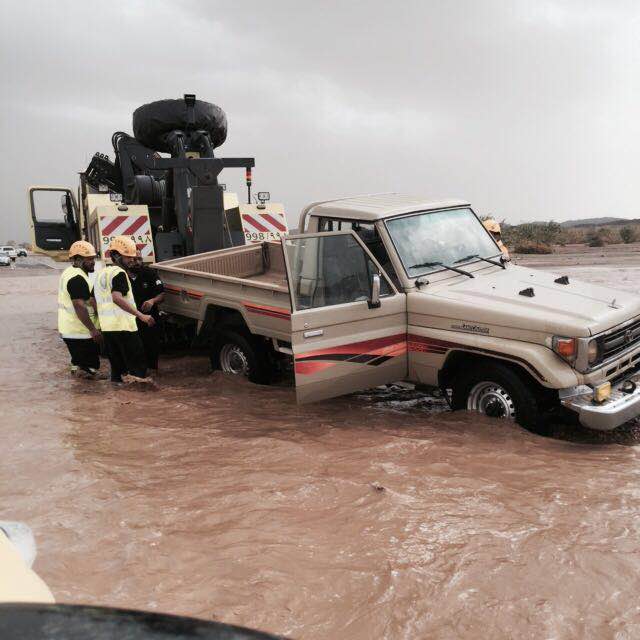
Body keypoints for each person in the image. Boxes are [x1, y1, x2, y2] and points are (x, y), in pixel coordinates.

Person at [94, 236, 155, 383]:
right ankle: (138, 404)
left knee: (117, 374)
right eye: (128, 257)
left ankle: (120, 403)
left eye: (133, 257)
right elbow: (117, 297)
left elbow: (92, 300)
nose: (132, 260)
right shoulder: (119, 273)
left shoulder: (101, 273)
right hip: (125, 329)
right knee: (137, 372)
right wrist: (141, 316)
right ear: (115, 256)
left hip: (109, 330)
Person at [57, 240, 102, 378]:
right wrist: (93, 329)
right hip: (81, 332)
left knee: (78, 367)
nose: (92, 262)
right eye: (88, 259)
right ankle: (88, 398)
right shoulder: (77, 278)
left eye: (93, 258)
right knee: (90, 369)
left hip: (71, 330)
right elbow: (79, 305)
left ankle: (77, 395)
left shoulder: (69, 273)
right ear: (76, 260)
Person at [129, 250, 165, 371]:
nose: (137, 262)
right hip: (129, 321)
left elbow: (161, 294)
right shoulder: (120, 276)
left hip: (149, 320)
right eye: (134, 259)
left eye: (140, 259)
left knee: (152, 350)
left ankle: (152, 373)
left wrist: (152, 301)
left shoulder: (150, 273)